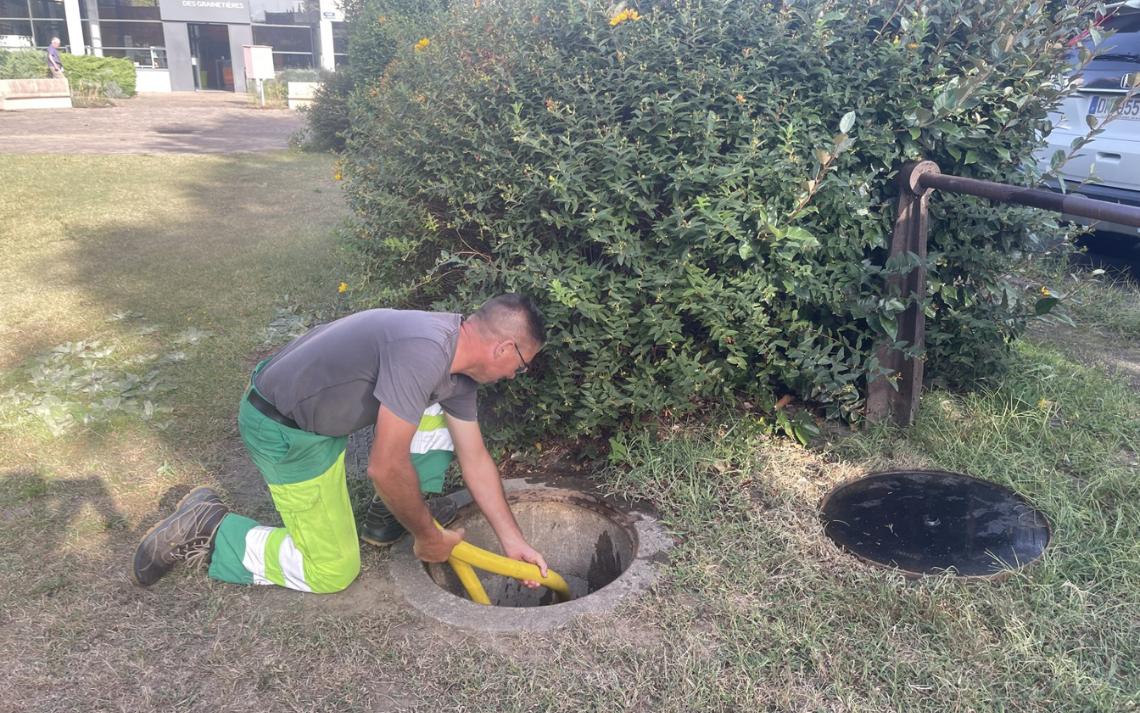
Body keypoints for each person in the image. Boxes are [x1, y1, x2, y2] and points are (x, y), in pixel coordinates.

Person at [132, 294, 549, 594]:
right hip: (283, 431)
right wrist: (428, 535)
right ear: (504, 347)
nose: (516, 374)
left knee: (438, 418)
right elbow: (385, 467)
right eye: (523, 365)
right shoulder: (424, 351)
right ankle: (211, 526)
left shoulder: (456, 365)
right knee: (331, 570)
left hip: (314, 415)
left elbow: (474, 457)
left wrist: (512, 542)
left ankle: (388, 515)